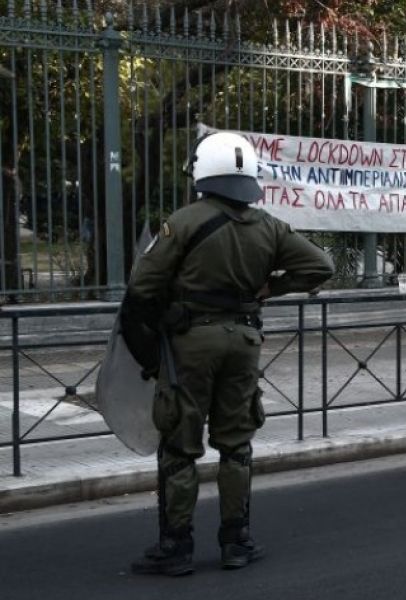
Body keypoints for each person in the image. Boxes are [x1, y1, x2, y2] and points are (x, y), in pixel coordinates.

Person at [123, 132, 335, 575]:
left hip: (190, 345)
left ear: (202, 172)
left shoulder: (183, 222)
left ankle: (176, 547)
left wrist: (149, 354)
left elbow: (141, 289)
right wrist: (272, 287)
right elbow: (321, 266)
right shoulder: (270, 227)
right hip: (244, 344)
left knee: (180, 446)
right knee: (236, 445)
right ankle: (236, 542)